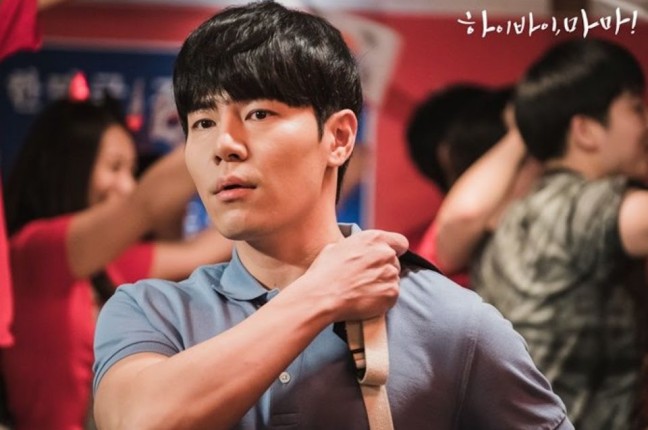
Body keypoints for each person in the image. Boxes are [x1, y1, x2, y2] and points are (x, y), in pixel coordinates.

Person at [92, 2, 573, 429]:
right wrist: (321, 293)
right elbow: (138, 421)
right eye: (202, 122)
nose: (224, 145)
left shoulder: (448, 320)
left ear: (339, 138)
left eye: (258, 114)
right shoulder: (151, 311)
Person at [2, 96, 232, 430]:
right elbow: (144, 204)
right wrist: (224, 128)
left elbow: (203, 252)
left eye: (131, 170)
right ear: (68, 167)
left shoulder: (106, 264)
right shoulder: (35, 250)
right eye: (114, 167)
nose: (126, 185)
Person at [455, 38, 647, 429]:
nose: (646, 124)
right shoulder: (590, 207)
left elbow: (458, 219)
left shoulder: (510, 216)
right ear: (585, 131)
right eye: (636, 108)